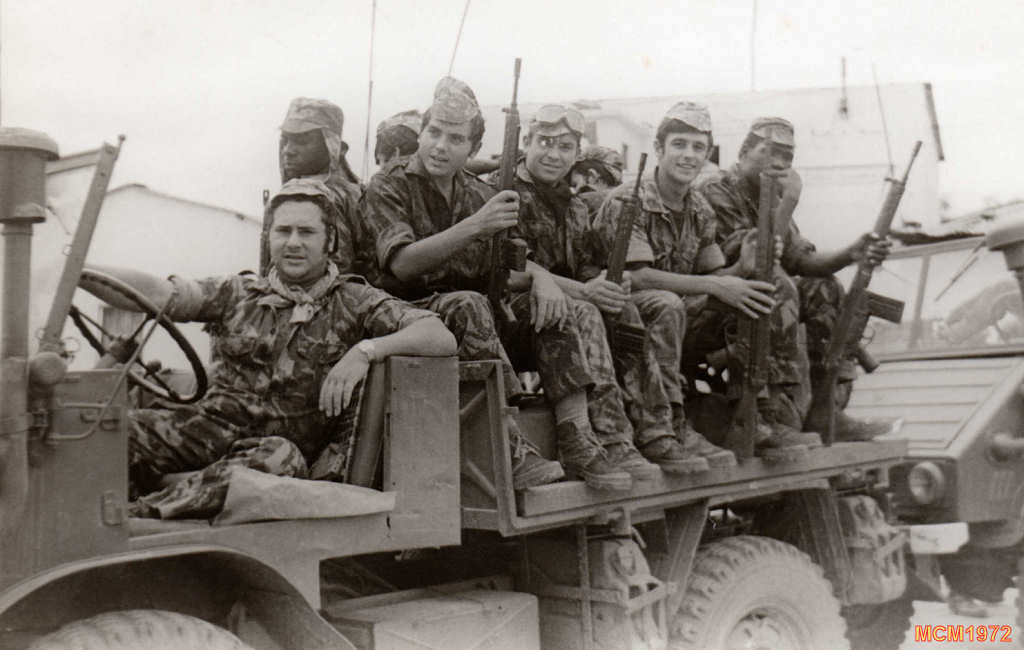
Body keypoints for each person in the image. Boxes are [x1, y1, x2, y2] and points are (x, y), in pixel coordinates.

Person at [81, 179, 457, 519]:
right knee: (110, 431)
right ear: (269, 238)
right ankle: (87, 519)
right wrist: (79, 272)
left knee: (278, 458)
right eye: (283, 231)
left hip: (275, 456)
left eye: (306, 232)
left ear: (330, 241)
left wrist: (365, 350)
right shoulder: (238, 294)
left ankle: (140, 512)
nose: (293, 242)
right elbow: (162, 294)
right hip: (206, 432)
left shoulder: (354, 301)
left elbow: (438, 335)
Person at [362, 78, 638, 491]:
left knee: (561, 307)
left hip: (474, 317)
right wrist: (477, 225)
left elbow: (507, 267)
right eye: (434, 132)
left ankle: (577, 435)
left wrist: (541, 278)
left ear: (473, 149)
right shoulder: (390, 184)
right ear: (421, 134)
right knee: (469, 303)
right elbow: (403, 264)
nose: (440, 146)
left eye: (455, 139)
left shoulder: (479, 192)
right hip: (407, 316)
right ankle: (508, 446)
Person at [592, 101, 818, 460]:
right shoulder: (629, 199)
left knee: (759, 292)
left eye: (698, 147)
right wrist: (717, 285)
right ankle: (670, 426)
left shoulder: (699, 208)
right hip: (619, 317)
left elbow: (715, 276)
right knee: (667, 304)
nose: (689, 155)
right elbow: (639, 276)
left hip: (680, 317)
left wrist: (740, 269)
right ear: (659, 149)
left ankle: (755, 414)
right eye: (679, 144)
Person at [505, 104, 721, 477]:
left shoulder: (572, 206)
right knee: (587, 310)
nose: (554, 154)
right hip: (510, 314)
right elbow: (508, 268)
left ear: (576, 154)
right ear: (527, 142)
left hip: (561, 311)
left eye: (565, 147)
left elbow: (585, 264)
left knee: (625, 307)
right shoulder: (502, 191)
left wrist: (606, 281)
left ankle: (655, 430)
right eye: (545, 142)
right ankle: (610, 436)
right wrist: (584, 291)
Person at [696, 117, 892, 440]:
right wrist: (788, 202)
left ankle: (825, 408)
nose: (779, 162)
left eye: (787, 156)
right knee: (774, 284)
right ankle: (765, 412)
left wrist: (851, 253)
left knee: (824, 287)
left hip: (750, 301)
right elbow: (757, 260)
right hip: (710, 303)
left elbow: (800, 258)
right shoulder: (716, 190)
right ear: (744, 153)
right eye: (769, 151)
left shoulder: (770, 197)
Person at [270, 98, 373, 279]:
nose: (288, 150)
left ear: (329, 144)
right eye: (285, 141)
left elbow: (334, 276)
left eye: (301, 141)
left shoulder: (332, 197)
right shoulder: (295, 192)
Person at [570, 145, 624, 217]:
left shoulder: (582, 202)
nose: (576, 190)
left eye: (575, 185)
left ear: (592, 176)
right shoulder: (626, 199)